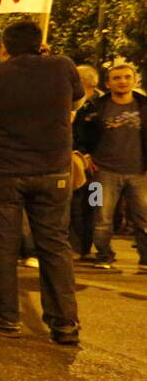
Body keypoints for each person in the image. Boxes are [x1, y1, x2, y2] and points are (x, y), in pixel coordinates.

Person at [0, 19, 82, 344]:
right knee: (55, 246)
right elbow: (75, 103)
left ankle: (4, 317)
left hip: (4, 172)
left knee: (3, 246)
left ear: (5, 47)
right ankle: (65, 324)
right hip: (53, 171)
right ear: (40, 43)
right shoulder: (63, 66)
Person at [79, 60, 147, 272]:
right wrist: (85, 155)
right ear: (107, 83)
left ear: (134, 80)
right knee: (101, 216)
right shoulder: (95, 107)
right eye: (116, 78)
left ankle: (145, 259)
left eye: (127, 77)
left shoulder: (144, 105)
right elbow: (78, 132)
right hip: (103, 173)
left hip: (140, 173)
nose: (122, 81)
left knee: (144, 217)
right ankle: (103, 256)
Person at [69, 64, 103, 261]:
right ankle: (79, 247)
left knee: (93, 206)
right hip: (78, 163)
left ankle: (89, 247)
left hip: (97, 167)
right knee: (77, 206)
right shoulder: (77, 104)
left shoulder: (100, 105)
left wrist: (92, 155)